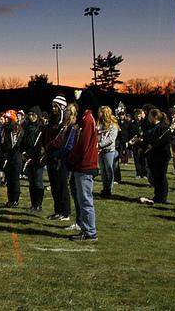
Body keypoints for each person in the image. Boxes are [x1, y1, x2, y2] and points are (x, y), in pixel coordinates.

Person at [66, 91, 99, 242]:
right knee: (82, 198)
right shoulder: (86, 119)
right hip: (82, 165)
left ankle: (90, 232)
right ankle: (86, 229)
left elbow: (83, 145)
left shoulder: (87, 120)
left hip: (85, 165)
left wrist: (72, 159)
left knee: (85, 199)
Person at [44, 95, 73, 221]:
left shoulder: (64, 123)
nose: (53, 109)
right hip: (51, 156)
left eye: (56, 106)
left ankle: (65, 212)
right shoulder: (52, 121)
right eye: (53, 106)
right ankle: (57, 210)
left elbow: (61, 141)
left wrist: (49, 146)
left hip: (60, 158)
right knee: (54, 185)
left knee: (62, 185)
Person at [139, 109, 171, 205]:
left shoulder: (164, 128)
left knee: (161, 177)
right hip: (152, 155)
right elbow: (146, 138)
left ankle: (162, 197)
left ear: (155, 117)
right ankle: (157, 195)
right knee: (155, 177)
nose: (148, 118)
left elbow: (164, 140)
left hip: (162, 155)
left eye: (150, 116)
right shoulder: (150, 127)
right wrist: (143, 146)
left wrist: (153, 144)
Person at [20, 106, 45, 211]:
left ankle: (38, 204)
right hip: (27, 157)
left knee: (38, 181)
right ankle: (33, 203)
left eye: (33, 115)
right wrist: (24, 153)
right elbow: (22, 142)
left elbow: (40, 144)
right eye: (29, 115)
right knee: (32, 182)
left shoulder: (41, 128)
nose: (31, 117)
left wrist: (32, 155)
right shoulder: (26, 127)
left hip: (37, 157)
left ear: (37, 116)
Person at [0, 110, 23, 207]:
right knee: (9, 179)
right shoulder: (5, 129)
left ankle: (15, 200)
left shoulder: (16, 128)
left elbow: (14, 144)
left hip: (15, 156)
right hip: (7, 156)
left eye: (8, 118)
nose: (6, 120)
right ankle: (10, 199)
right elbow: (2, 141)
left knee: (15, 179)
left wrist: (6, 150)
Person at [96, 106, 119, 198]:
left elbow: (111, 138)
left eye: (100, 112)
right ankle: (104, 188)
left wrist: (100, 144)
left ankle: (109, 189)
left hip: (109, 150)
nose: (98, 113)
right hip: (100, 151)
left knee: (109, 170)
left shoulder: (113, 124)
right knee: (103, 171)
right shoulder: (99, 123)